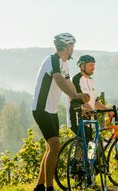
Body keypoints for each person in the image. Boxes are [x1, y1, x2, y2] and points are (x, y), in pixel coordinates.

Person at [31, 33, 90, 191]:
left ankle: (39, 186)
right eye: (72, 46)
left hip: (52, 110)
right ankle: (49, 187)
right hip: (41, 109)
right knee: (55, 145)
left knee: (51, 148)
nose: (73, 49)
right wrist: (74, 95)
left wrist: (78, 99)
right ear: (67, 47)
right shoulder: (53, 60)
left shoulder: (64, 63)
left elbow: (68, 83)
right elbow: (58, 79)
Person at [68, 55, 108, 140]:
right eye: (90, 65)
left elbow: (95, 101)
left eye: (94, 65)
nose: (93, 67)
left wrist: (108, 111)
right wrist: (92, 110)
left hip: (90, 119)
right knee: (87, 143)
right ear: (82, 66)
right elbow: (80, 99)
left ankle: (78, 153)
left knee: (85, 146)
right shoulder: (76, 79)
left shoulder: (92, 81)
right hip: (77, 118)